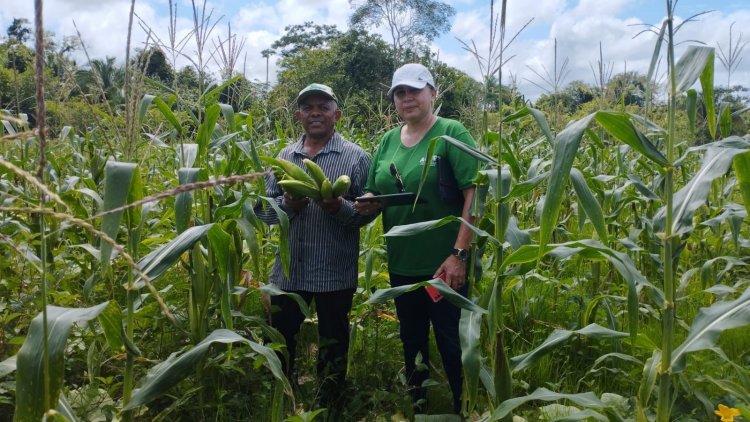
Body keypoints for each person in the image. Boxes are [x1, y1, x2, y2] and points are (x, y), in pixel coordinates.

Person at [354, 63, 477, 415]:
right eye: (399, 93)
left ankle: (462, 407)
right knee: (412, 340)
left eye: (415, 91)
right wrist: (367, 204)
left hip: (444, 265)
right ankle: (419, 407)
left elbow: (475, 195)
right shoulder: (389, 140)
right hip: (402, 263)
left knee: (452, 342)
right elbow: (376, 191)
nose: (407, 98)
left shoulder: (451, 132)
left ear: (433, 94)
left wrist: (459, 254)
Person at [256, 83, 374, 408]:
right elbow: (264, 213)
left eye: (323, 106)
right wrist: (288, 205)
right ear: (299, 116)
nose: (316, 113)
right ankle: (282, 396)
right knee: (280, 340)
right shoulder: (283, 159)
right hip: (289, 270)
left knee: (333, 343)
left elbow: (366, 214)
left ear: (337, 114)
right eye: (308, 107)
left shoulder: (356, 157)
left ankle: (331, 404)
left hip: (334, 269)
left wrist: (340, 208)